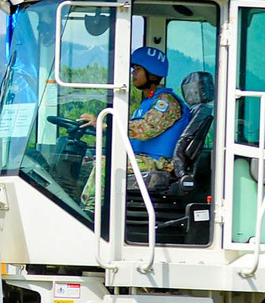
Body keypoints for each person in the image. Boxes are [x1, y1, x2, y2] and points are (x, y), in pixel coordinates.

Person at [79, 47, 189, 209]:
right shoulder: (148, 102)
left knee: (105, 164)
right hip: (141, 158)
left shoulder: (166, 102)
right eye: (133, 69)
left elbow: (146, 128)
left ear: (152, 73)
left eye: (138, 69)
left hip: (157, 162)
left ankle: (92, 214)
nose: (133, 74)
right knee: (88, 160)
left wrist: (106, 124)